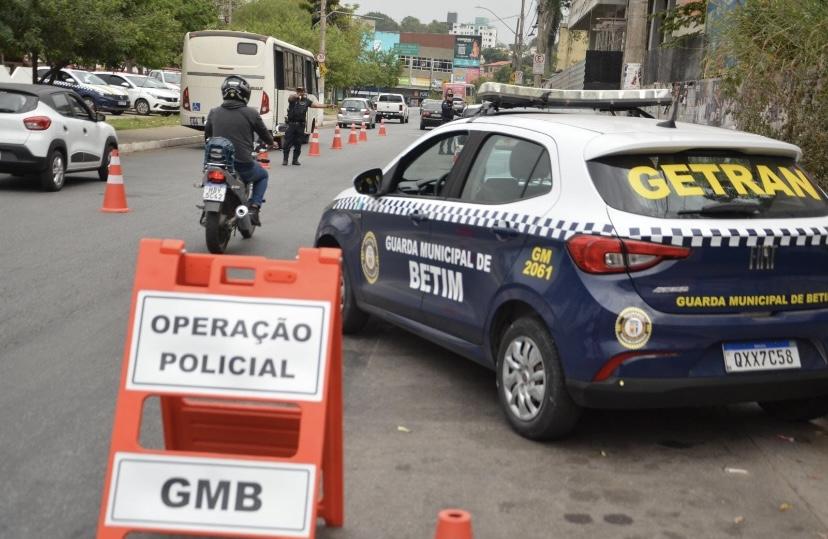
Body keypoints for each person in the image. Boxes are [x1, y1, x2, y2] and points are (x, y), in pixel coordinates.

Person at [204, 75, 275, 226]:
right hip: (242, 165)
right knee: (263, 175)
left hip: (216, 165)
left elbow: (207, 137)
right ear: (245, 94)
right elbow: (264, 135)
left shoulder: (213, 112)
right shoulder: (251, 113)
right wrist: (271, 142)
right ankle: (254, 208)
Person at [283, 85, 334, 166]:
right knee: (287, 143)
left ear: (304, 92)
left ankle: (295, 160)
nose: (300, 92)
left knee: (298, 143)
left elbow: (317, 105)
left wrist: (327, 105)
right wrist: (297, 95)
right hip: (291, 125)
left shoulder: (306, 101)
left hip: (300, 125)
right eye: (298, 90)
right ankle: (285, 160)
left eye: (301, 91)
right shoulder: (292, 99)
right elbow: (290, 98)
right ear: (296, 91)